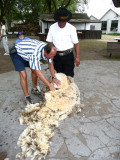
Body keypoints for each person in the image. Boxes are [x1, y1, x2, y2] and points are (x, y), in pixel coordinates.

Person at [10, 39, 61, 104]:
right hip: (17, 53)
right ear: (45, 53)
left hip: (28, 53)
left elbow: (51, 64)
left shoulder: (48, 48)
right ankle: (27, 97)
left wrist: (54, 77)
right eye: (51, 56)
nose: (52, 57)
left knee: (34, 70)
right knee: (23, 74)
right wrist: (50, 86)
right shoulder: (35, 54)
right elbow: (39, 73)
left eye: (53, 56)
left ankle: (34, 89)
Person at [46, 7, 80, 77]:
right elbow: (49, 42)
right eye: (59, 21)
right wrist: (50, 55)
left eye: (63, 22)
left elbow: (76, 44)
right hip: (56, 56)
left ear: (67, 20)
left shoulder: (72, 28)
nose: (61, 24)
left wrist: (77, 57)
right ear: (57, 20)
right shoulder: (52, 27)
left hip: (68, 56)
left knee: (69, 76)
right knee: (59, 75)